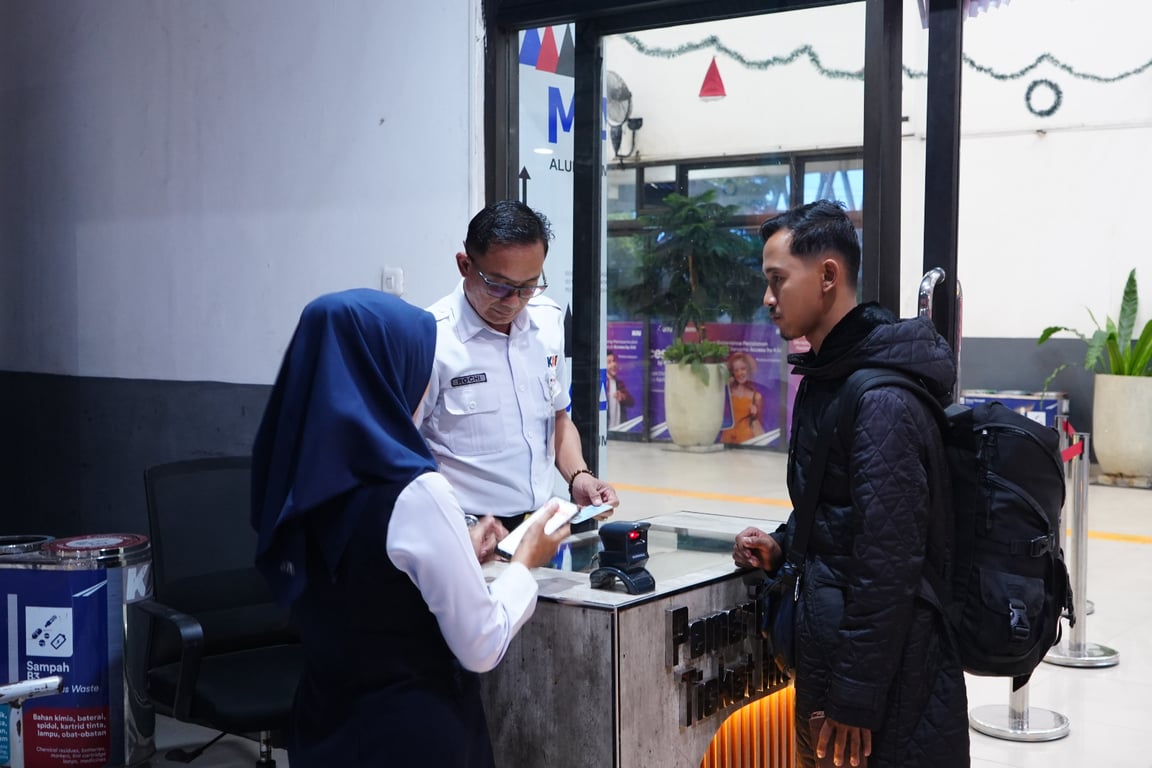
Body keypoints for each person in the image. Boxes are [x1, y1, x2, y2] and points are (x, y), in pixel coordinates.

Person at [250, 289, 571, 767]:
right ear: (386, 373)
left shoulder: (294, 476)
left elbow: (363, 576)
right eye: (419, 369)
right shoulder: (415, 491)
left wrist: (453, 548)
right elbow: (481, 644)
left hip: (324, 726)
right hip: (413, 733)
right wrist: (526, 561)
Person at [731, 200, 969, 768]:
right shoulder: (829, 375)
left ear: (828, 276)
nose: (767, 298)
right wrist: (785, 543)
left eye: (777, 280)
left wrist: (855, 696)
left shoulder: (880, 399)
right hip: (839, 657)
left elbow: (890, 563)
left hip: (886, 686)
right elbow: (839, 506)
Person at [419, 200, 618, 530]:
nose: (513, 301)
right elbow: (402, 450)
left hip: (537, 525)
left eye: (528, 286)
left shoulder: (547, 321)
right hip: (464, 531)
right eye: (498, 285)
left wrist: (579, 476)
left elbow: (557, 417)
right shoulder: (430, 338)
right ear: (465, 265)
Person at [720, 351, 765, 444]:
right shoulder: (728, 392)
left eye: (743, 369)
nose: (739, 373)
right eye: (736, 370)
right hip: (727, 439)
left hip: (746, 440)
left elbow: (759, 423)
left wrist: (755, 414)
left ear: (749, 370)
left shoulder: (756, 396)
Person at [605, 350, 635, 429]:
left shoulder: (619, 383)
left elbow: (631, 402)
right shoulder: (602, 383)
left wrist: (623, 397)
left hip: (618, 428)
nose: (613, 364)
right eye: (609, 362)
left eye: (614, 361)